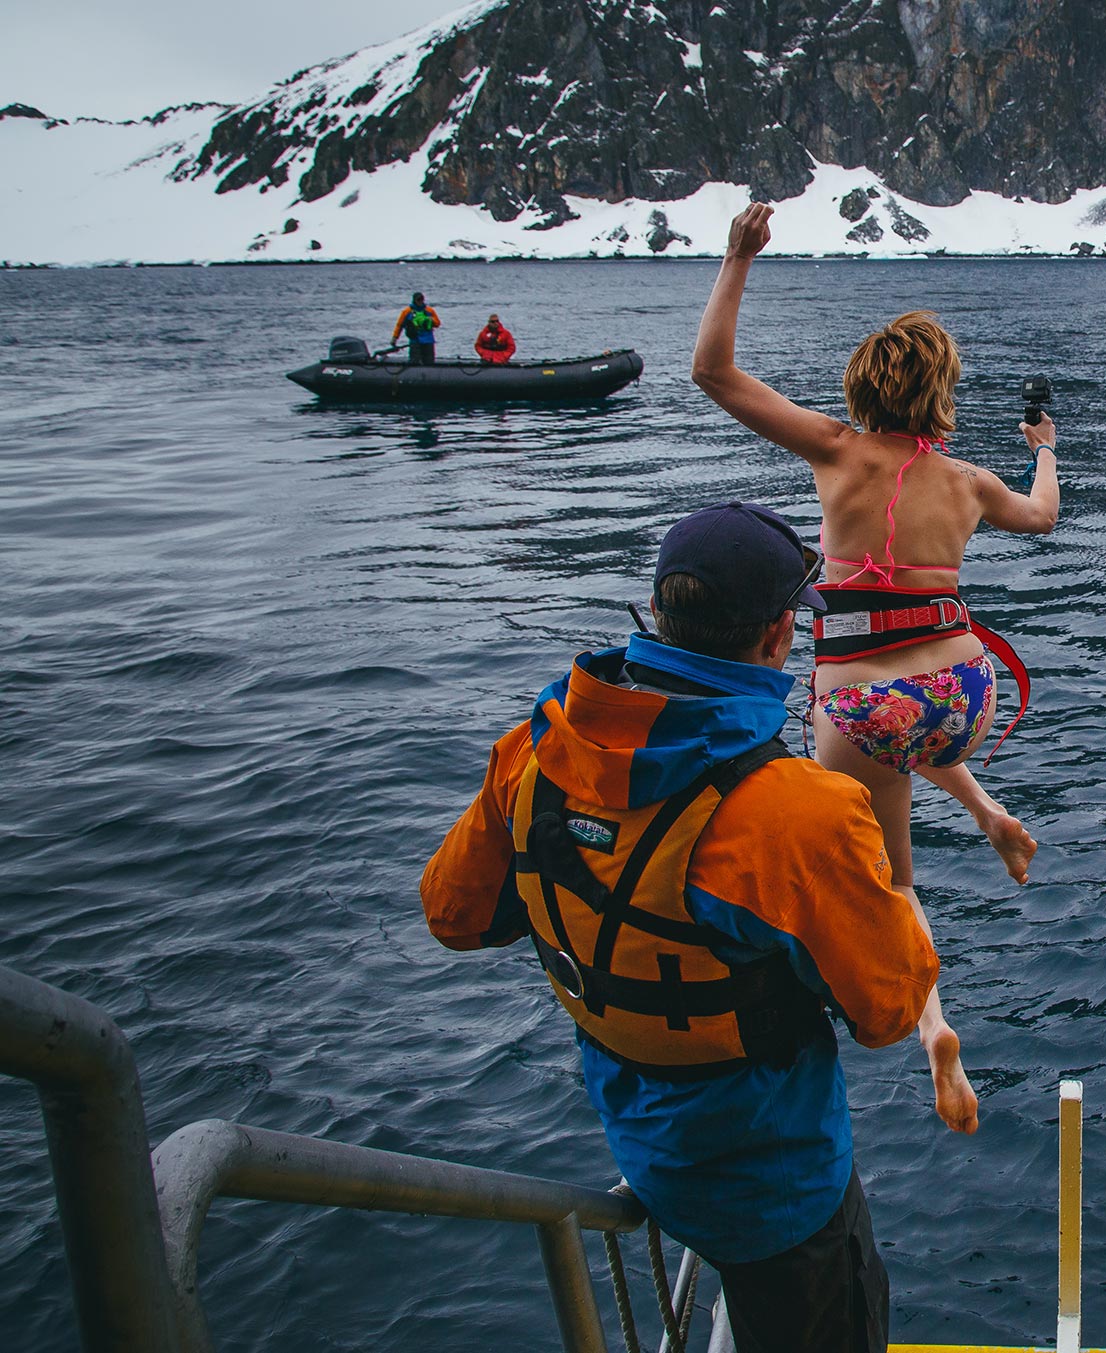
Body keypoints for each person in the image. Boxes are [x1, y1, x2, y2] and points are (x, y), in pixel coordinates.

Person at [420, 501, 939, 1353]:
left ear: (659, 616)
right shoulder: (799, 813)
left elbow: (455, 916)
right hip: (777, 1191)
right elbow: (888, 1010)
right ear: (779, 638)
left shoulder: (531, 754)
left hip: (642, 1146)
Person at [692, 201, 1060, 1136]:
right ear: (940, 392)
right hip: (969, 692)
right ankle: (989, 811)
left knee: (894, 877)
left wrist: (738, 256)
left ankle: (938, 1028)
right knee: (912, 726)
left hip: (865, 704)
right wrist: (1045, 450)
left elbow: (713, 372)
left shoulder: (833, 447)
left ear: (864, 384)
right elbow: (1043, 516)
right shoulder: (973, 482)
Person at [392, 291, 441, 365]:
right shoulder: (407, 311)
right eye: (418, 300)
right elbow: (399, 325)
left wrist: (431, 320)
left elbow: (437, 324)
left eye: (421, 299)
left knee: (429, 362)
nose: (420, 301)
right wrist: (395, 338)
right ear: (414, 300)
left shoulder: (429, 311)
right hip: (415, 340)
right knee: (414, 361)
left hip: (428, 340)